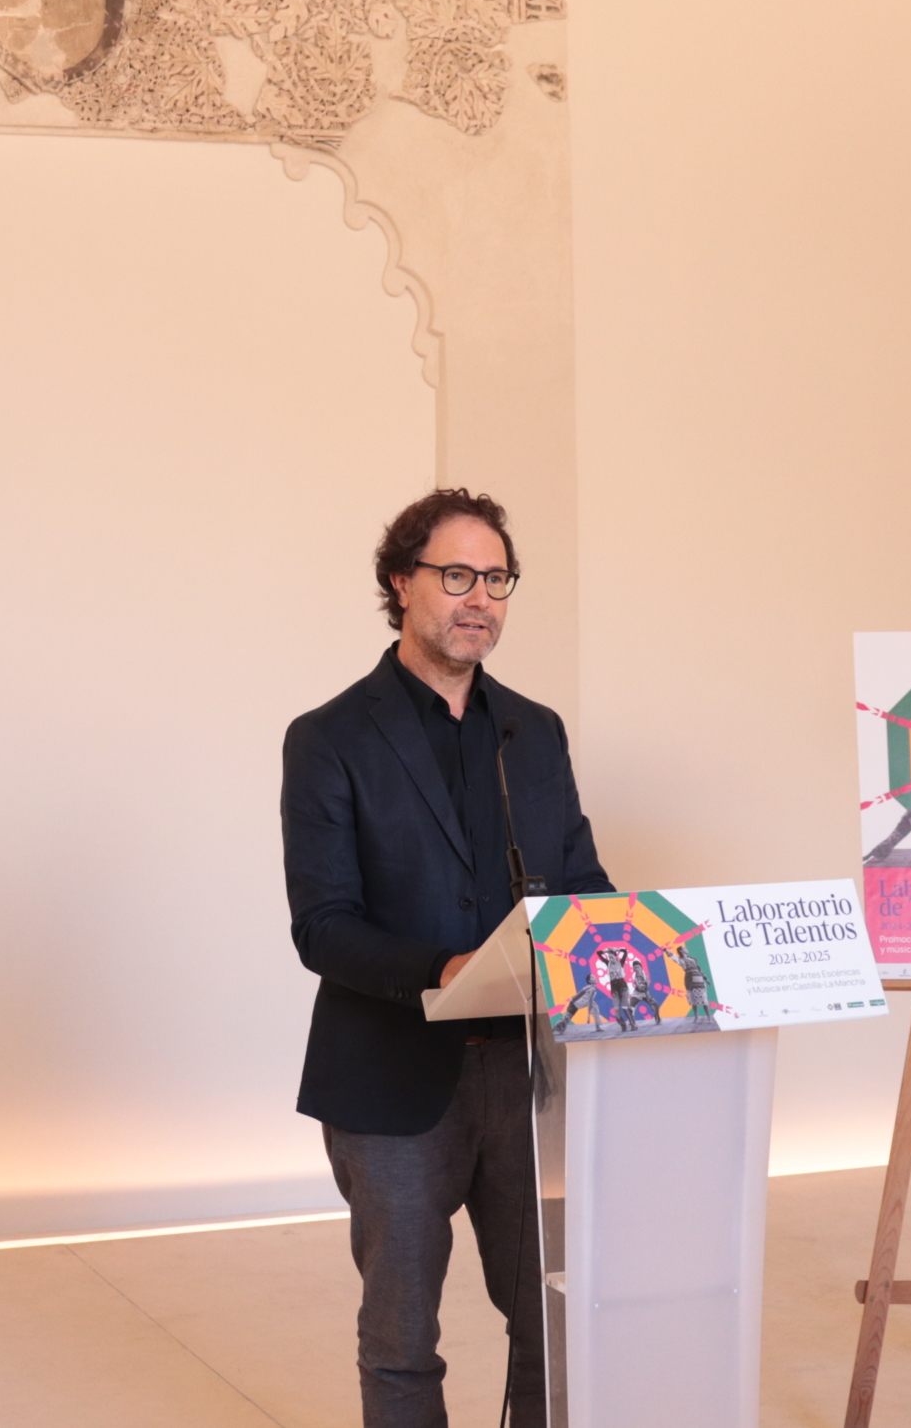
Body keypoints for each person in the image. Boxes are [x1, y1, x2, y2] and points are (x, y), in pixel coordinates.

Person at [283, 488, 612, 1428]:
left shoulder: (534, 731)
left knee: (552, 1320)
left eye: (497, 579)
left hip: (528, 1073)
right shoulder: (328, 738)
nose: (480, 598)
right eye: (456, 574)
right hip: (391, 1084)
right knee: (400, 1344)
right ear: (401, 582)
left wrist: (627, 944)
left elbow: (583, 884)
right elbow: (322, 925)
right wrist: (443, 969)